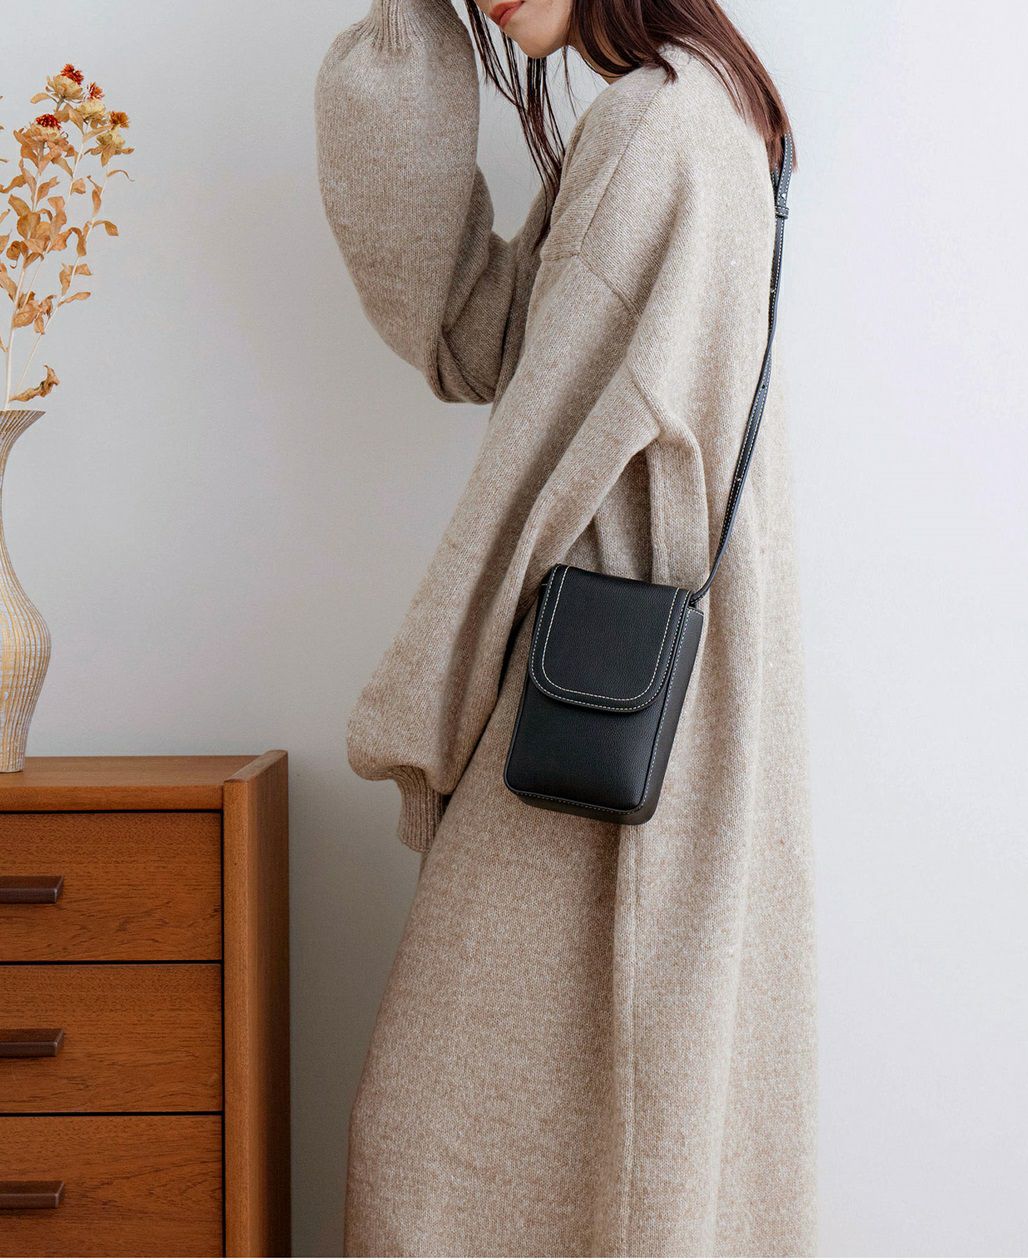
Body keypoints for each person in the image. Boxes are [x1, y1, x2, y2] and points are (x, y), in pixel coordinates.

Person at [314, 0, 815, 1254]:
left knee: (432, 1168)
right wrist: (402, 40)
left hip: (595, 736)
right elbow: (488, 341)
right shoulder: (695, 109)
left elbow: (532, 482)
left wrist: (420, 720)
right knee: (594, 1172)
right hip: (663, 721)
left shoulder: (656, 130)